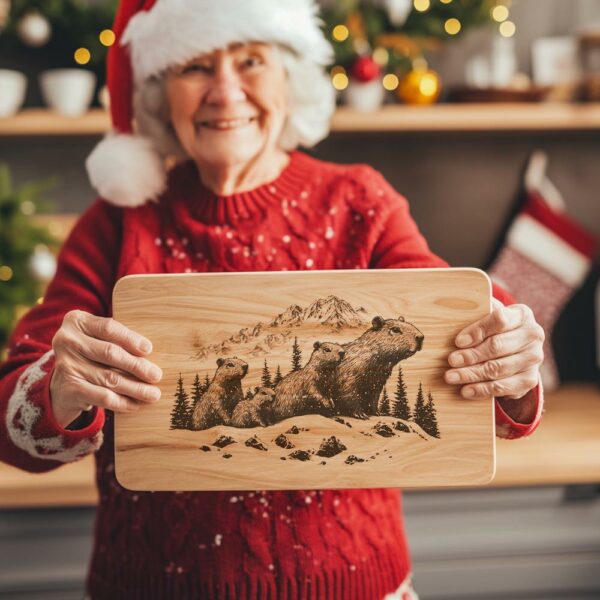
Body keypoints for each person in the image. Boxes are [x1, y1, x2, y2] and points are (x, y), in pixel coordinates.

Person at [0, 0, 545, 598]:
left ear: (290, 76)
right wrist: (57, 385)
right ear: (159, 92)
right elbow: (12, 429)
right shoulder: (115, 226)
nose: (225, 92)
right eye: (194, 66)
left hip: (357, 587)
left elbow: (455, 316)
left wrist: (509, 358)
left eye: (251, 60)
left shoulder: (359, 200)